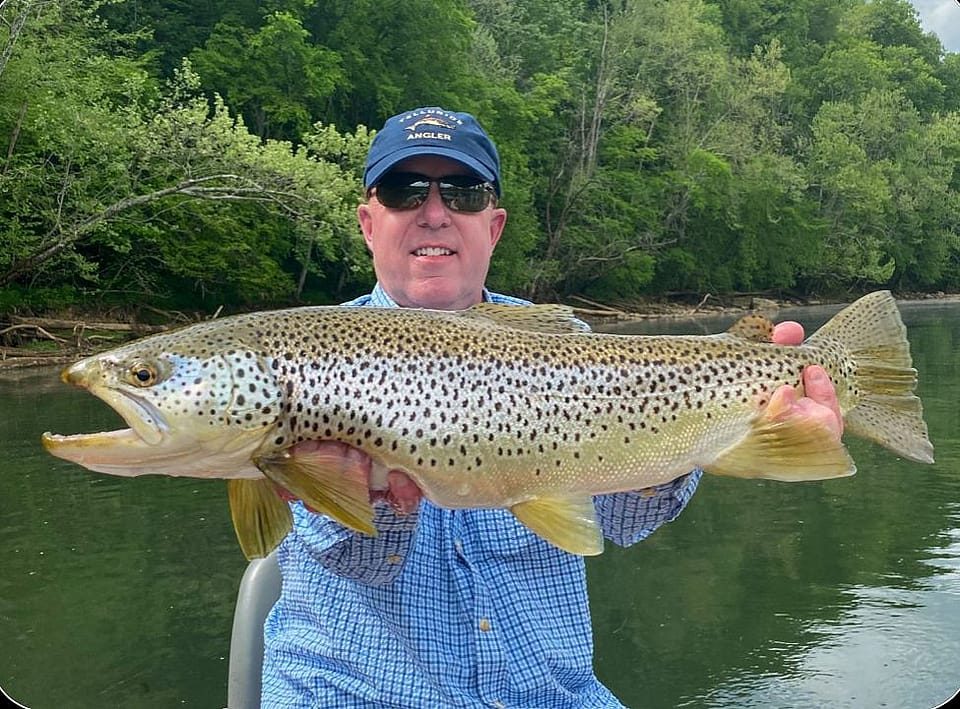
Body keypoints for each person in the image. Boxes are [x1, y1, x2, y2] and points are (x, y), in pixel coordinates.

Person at [259, 106, 842, 708]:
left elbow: (621, 521)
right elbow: (362, 561)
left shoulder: (567, 347)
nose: (434, 213)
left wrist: (748, 425)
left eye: (462, 192)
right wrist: (365, 501)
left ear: (494, 225)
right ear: (367, 222)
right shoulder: (305, 356)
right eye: (405, 191)